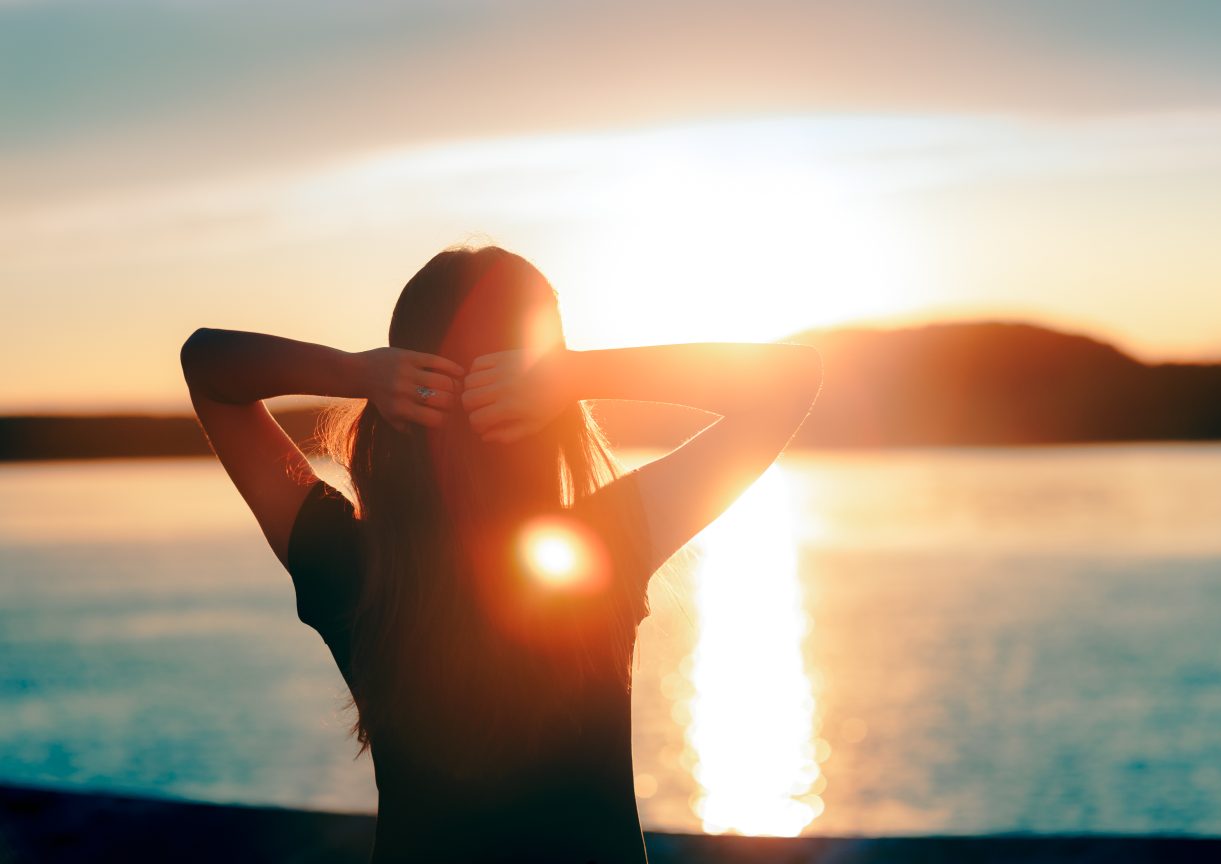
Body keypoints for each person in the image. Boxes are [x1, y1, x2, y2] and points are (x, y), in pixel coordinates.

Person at [180, 245, 821, 863]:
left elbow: (208, 368)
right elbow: (789, 379)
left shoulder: (348, 559)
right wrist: (574, 374)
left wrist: (357, 373)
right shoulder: (602, 544)